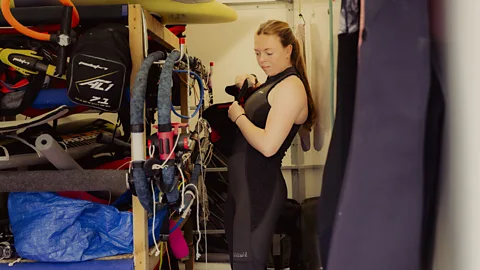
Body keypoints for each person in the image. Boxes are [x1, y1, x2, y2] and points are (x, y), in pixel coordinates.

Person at [225, 19, 316, 269]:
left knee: (249, 264)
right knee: (240, 263)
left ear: (288, 50)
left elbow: (268, 146)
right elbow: (263, 102)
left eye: (268, 52)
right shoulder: (273, 81)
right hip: (243, 191)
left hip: (259, 190)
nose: (262, 59)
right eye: (257, 53)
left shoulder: (291, 88)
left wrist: (239, 117)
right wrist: (249, 79)